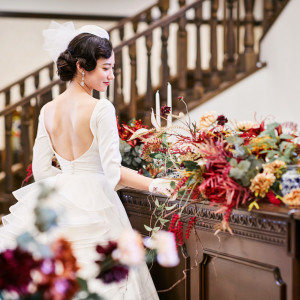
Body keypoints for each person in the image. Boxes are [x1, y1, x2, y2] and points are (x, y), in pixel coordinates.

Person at [0, 21, 172, 299]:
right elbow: (112, 173)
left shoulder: (47, 110)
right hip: (97, 202)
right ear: (82, 67)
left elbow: (42, 171)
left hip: (57, 200)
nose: (111, 76)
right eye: (106, 68)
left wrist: (68, 183)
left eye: (111, 69)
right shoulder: (100, 108)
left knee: (55, 280)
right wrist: (153, 184)